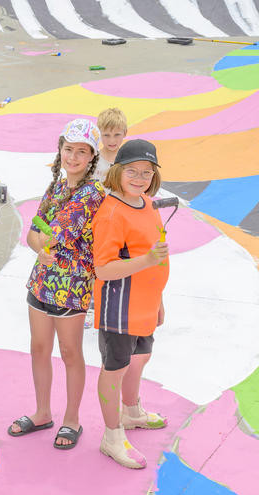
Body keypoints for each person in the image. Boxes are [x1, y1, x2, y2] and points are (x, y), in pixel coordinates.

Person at [7, 119, 103, 449]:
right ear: (60, 150)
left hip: (72, 287)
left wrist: (40, 240)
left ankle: (72, 419)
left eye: (81, 152)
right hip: (42, 283)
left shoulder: (92, 196)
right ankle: (42, 412)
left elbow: (51, 234)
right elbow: (34, 233)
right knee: (39, 348)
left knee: (71, 352)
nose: (73, 157)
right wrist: (40, 243)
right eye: (68, 149)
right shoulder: (57, 186)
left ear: (92, 157)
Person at [91, 140, 170, 469]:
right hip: (119, 309)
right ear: (117, 171)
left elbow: (157, 254)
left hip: (144, 305)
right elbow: (105, 269)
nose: (139, 178)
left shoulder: (147, 204)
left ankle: (132, 410)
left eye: (147, 172)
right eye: (132, 171)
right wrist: (148, 260)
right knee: (115, 368)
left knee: (140, 359)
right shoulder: (111, 213)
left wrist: (158, 299)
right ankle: (111, 436)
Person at [85, 107, 128, 328]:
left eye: (117, 134)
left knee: (116, 261)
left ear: (125, 133)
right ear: (99, 135)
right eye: (106, 135)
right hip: (98, 221)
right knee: (96, 261)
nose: (112, 140)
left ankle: (112, 303)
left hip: (121, 222)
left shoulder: (127, 161)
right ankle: (91, 303)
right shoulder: (95, 160)